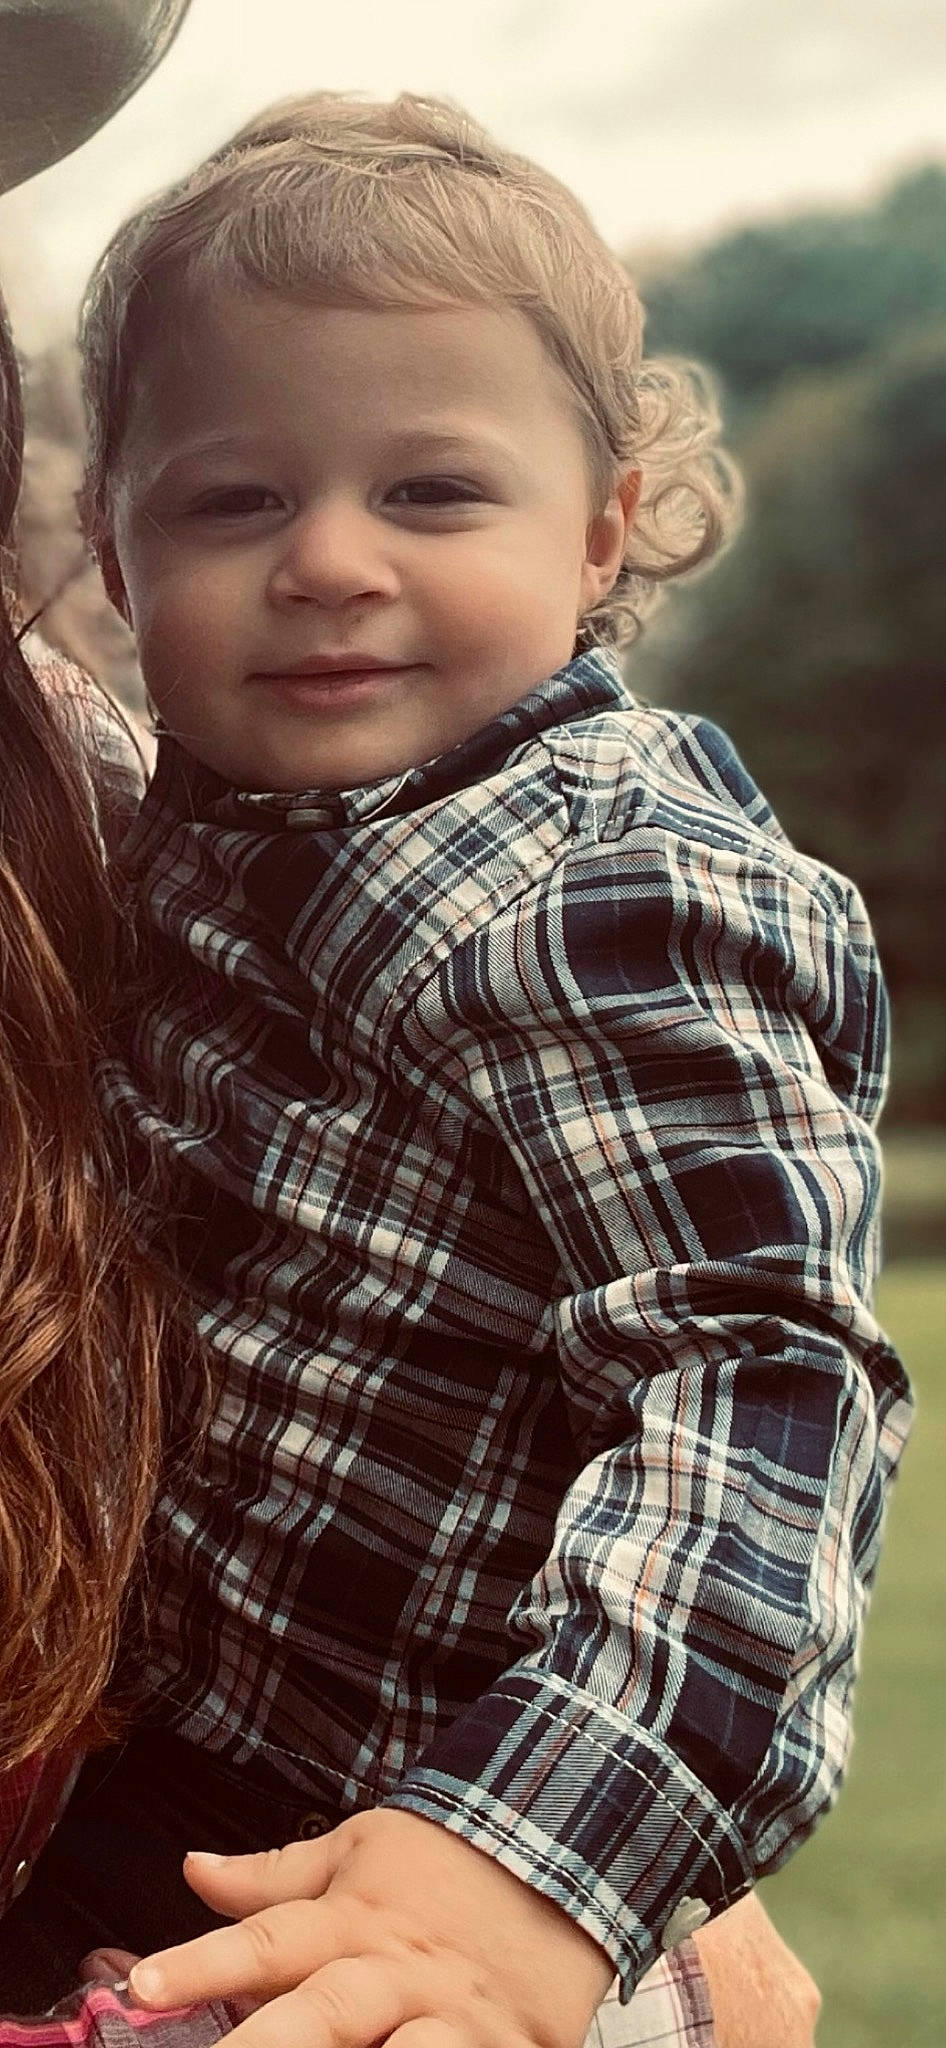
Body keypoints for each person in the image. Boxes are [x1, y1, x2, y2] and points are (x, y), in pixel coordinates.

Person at [0, 86, 910, 2048]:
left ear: (595, 532)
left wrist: (533, 1860)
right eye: (233, 500)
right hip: (152, 1764)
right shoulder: (175, 830)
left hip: (435, 1815)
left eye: (427, 493)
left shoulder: (609, 891)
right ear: (111, 540)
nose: (326, 558)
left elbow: (747, 1393)